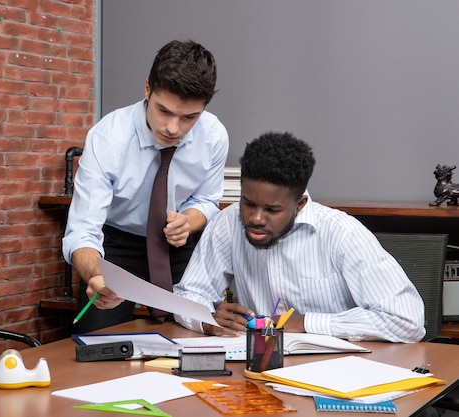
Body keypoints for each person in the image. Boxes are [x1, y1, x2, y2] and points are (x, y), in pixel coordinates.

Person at [173, 131, 425, 343]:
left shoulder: (343, 234)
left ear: (301, 204)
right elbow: (188, 294)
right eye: (248, 203)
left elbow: (406, 321)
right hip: (258, 369)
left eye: (272, 210)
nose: (256, 218)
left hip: (335, 376)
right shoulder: (227, 223)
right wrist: (207, 319)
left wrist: (306, 322)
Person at [62, 39, 229, 333]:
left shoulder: (214, 136)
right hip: (116, 247)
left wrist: (187, 222)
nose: (173, 128)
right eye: (164, 111)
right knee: (97, 342)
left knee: (199, 340)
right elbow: (83, 232)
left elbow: (206, 200)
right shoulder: (107, 138)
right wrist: (96, 276)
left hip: (178, 246)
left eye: (189, 117)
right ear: (147, 89)